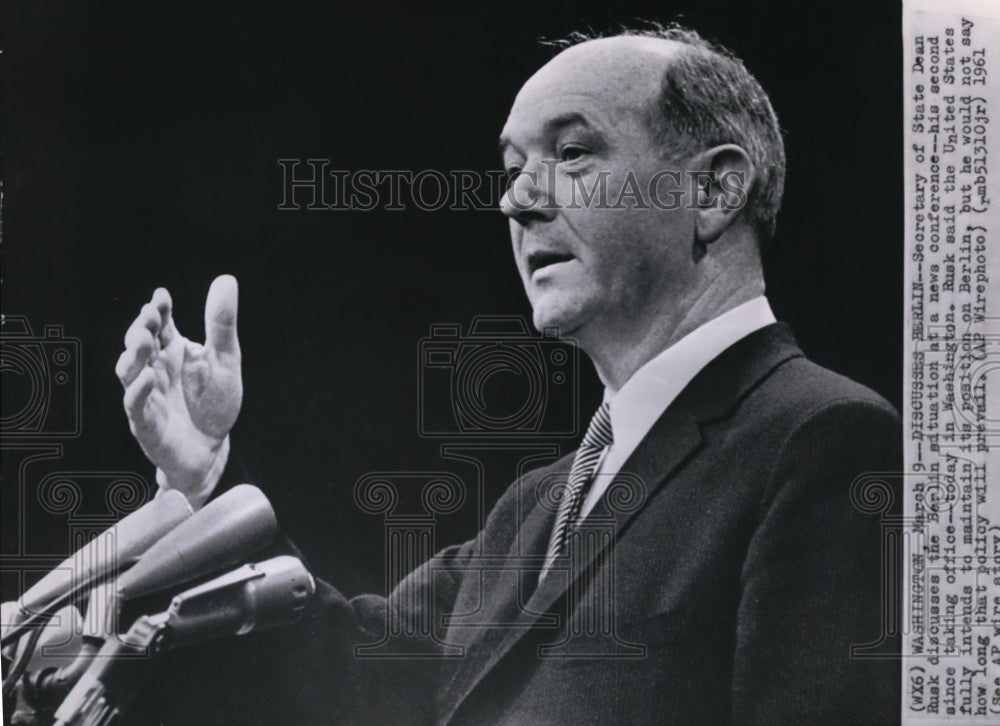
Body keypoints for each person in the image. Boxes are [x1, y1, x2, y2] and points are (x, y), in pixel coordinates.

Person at [115, 24, 900, 726]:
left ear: (713, 190)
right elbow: (354, 678)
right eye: (512, 166)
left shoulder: (826, 441)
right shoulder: (538, 504)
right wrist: (206, 478)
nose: (516, 202)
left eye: (570, 152)